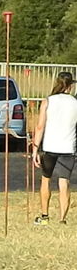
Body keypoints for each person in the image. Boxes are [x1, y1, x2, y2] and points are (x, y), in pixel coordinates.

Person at [32, 71, 77, 225]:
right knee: (64, 183)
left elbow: (39, 127)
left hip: (50, 147)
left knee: (46, 180)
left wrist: (35, 149)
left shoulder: (48, 101)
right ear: (70, 86)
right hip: (68, 148)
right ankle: (62, 219)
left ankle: (44, 217)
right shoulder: (75, 102)